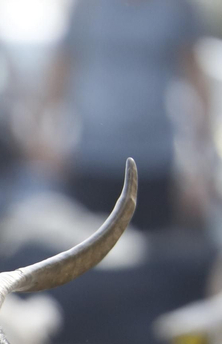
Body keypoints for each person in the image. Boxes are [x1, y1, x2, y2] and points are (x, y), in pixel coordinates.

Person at [37, 0, 211, 229]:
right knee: (85, 254)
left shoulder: (176, 6)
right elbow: (62, 66)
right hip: (93, 159)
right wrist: (44, 133)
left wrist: (202, 165)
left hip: (154, 163)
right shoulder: (87, 6)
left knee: (150, 258)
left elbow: (196, 76)